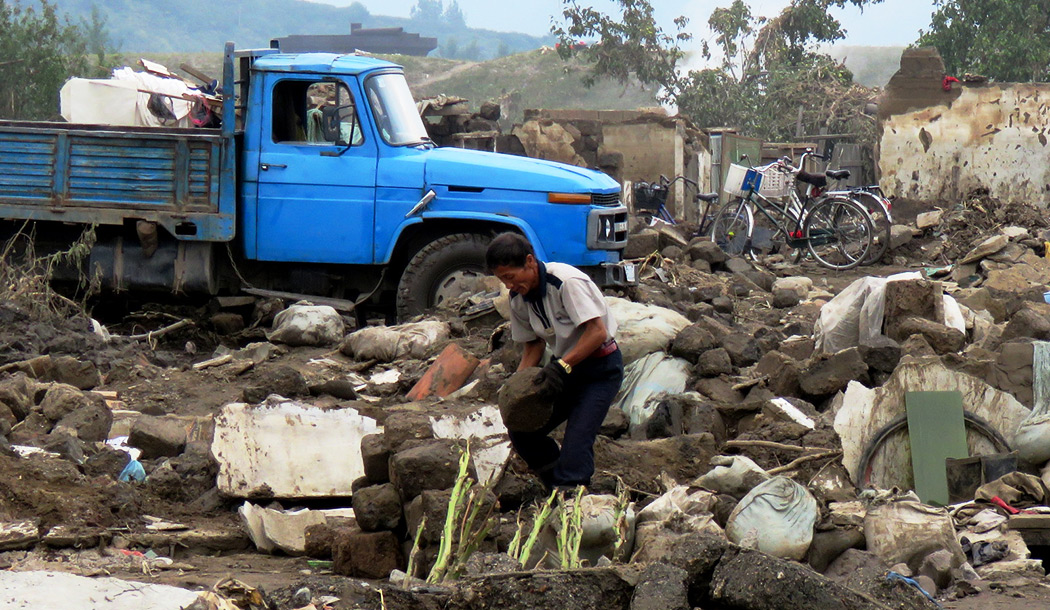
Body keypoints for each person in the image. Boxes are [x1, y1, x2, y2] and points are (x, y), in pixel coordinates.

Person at [486, 232, 623, 489]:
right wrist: (516, 389)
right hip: (564, 371)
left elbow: (596, 332)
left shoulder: (566, 282)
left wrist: (561, 366)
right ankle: (554, 486)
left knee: (577, 442)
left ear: (529, 261)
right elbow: (533, 345)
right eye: (502, 280)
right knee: (522, 428)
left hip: (600, 370)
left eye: (510, 277)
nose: (508, 286)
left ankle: (572, 494)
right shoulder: (518, 299)